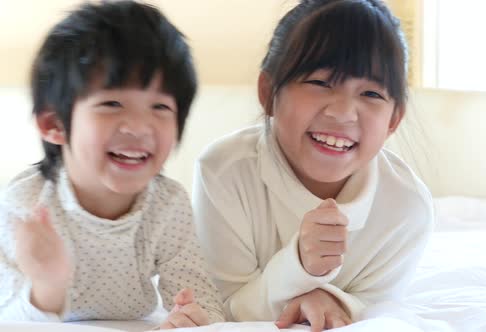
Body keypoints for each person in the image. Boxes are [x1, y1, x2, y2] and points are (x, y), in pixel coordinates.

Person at [192, 0, 434, 330]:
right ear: (268, 93)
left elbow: (379, 308)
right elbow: (220, 308)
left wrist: (335, 301)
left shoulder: (406, 208)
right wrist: (300, 266)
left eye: (371, 94)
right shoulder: (223, 172)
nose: (344, 112)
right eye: (320, 83)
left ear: (394, 119)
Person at [0, 1, 223, 328]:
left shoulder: (168, 203)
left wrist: (194, 317)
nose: (138, 126)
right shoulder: (25, 207)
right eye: (111, 103)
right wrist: (48, 286)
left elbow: (200, 295)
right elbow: (9, 318)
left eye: (159, 106)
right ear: (55, 124)